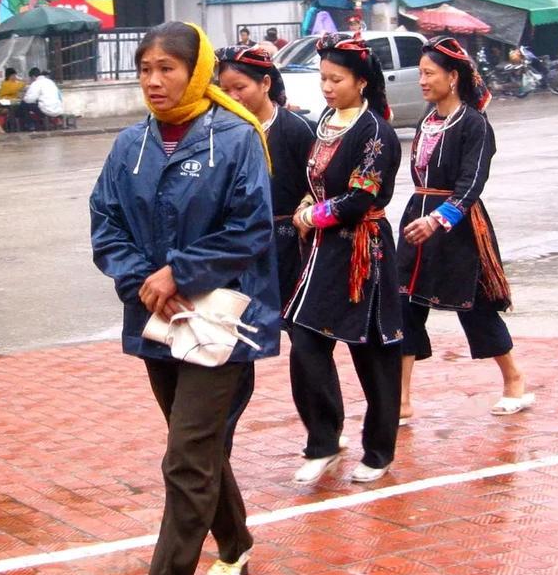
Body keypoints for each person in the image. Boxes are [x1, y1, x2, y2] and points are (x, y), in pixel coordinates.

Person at [89, 21, 279, 575]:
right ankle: (236, 541)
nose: (154, 80)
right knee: (196, 447)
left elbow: (251, 229)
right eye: (145, 68)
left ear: (195, 72)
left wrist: (182, 271)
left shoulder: (235, 138)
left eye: (167, 68)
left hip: (221, 322)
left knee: (185, 454)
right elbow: (105, 223)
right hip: (157, 318)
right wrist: (142, 278)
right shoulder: (129, 146)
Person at [286, 34, 403, 485]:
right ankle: (324, 440)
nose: (327, 87)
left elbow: (359, 197)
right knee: (305, 339)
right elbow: (316, 178)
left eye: (336, 79)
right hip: (321, 252)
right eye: (323, 79)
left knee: (372, 353)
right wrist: (307, 204)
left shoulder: (375, 132)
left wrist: (311, 215)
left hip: (363, 251)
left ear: (361, 82)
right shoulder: (326, 120)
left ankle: (379, 449)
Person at [397, 37, 532, 421]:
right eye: (421, 73)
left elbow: (471, 185)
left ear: (452, 76)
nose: (422, 80)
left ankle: (514, 381)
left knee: (474, 308)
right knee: (405, 304)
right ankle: (402, 401)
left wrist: (437, 219)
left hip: (457, 227)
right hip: (416, 219)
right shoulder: (429, 119)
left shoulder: (474, 124)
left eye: (429, 73)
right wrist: (419, 218)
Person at [215, 44, 316, 304]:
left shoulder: (298, 130)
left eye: (240, 88)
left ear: (265, 83)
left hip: (290, 244)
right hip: (238, 244)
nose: (232, 97)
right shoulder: (219, 134)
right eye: (224, 90)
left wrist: (307, 204)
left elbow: (320, 182)